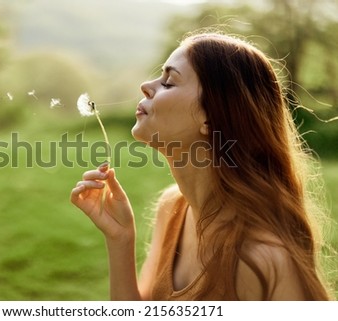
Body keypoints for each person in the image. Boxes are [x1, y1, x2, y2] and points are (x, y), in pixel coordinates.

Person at [70, 32, 333, 300]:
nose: (146, 86)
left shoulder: (260, 259)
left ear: (211, 117)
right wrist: (120, 239)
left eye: (169, 82)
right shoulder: (172, 208)